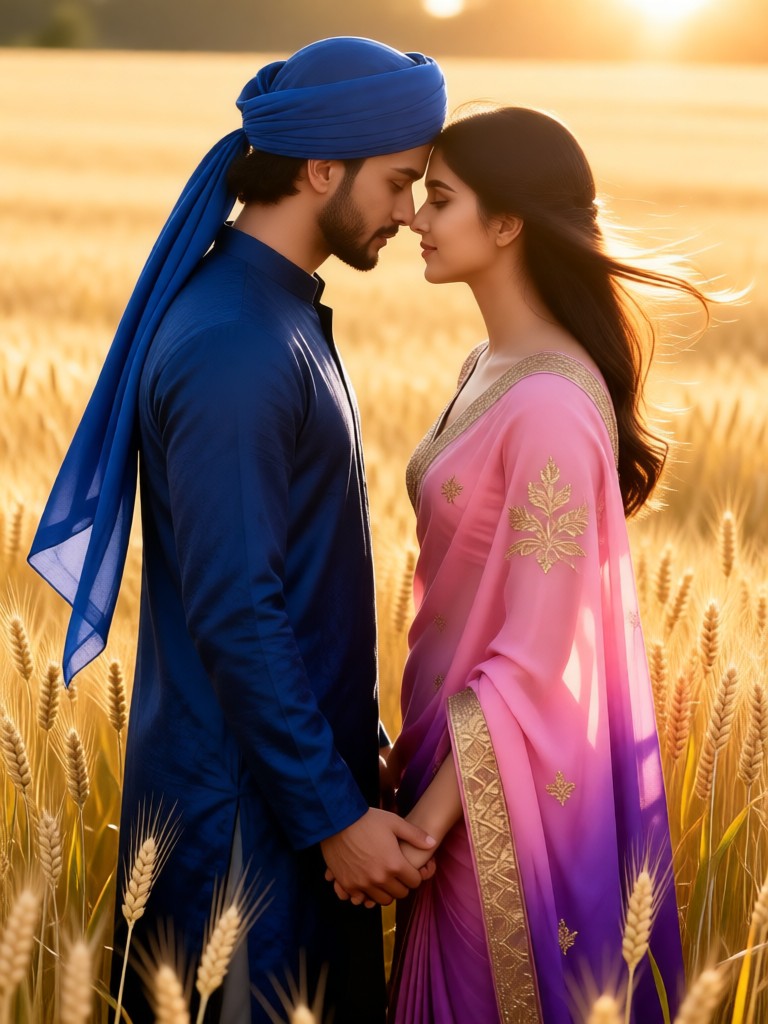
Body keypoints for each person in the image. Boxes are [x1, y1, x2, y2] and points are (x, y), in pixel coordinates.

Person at [27, 37, 447, 1024]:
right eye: (396, 183)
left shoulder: (273, 314)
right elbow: (237, 609)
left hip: (278, 805)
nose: (406, 213)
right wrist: (335, 817)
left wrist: (363, 745)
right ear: (319, 169)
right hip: (242, 849)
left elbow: (289, 582)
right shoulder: (236, 344)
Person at [380, 107, 705, 1022]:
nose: (415, 218)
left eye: (439, 201)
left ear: (508, 223)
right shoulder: (489, 362)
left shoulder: (553, 410)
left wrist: (423, 831)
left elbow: (533, 653)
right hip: (445, 772)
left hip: (492, 810)